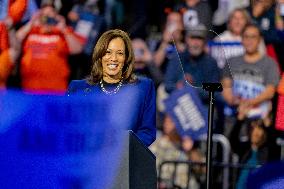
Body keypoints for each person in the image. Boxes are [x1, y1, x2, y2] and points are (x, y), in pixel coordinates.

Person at [67, 29, 156, 147]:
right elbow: (69, 129)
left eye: (119, 53)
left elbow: (147, 132)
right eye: (108, 52)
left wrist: (121, 149)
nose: (113, 58)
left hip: (125, 158)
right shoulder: (77, 88)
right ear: (99, 55)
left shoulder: (143, 88)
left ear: (126, 58)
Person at [221, 24, 280, 137]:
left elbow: (270, 91)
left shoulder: (270, 63)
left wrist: (248, 103)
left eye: (253, 37)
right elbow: (226, 86)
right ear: (242, 39)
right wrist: (234, 101)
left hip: (258, 120)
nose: (249, 41)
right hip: (234, 116)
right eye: (246, 37)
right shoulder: (231, 61)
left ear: (259, 40)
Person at [16, 3, 83, 93]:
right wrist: (31, 22)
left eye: (50, 14)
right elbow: (15, 40)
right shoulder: (31, 30)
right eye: (44, 15)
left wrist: (64, 29)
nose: (47, 17)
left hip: (56, 88)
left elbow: (77, 49)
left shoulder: (63, 33)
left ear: (56, 16)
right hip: (30, 88)